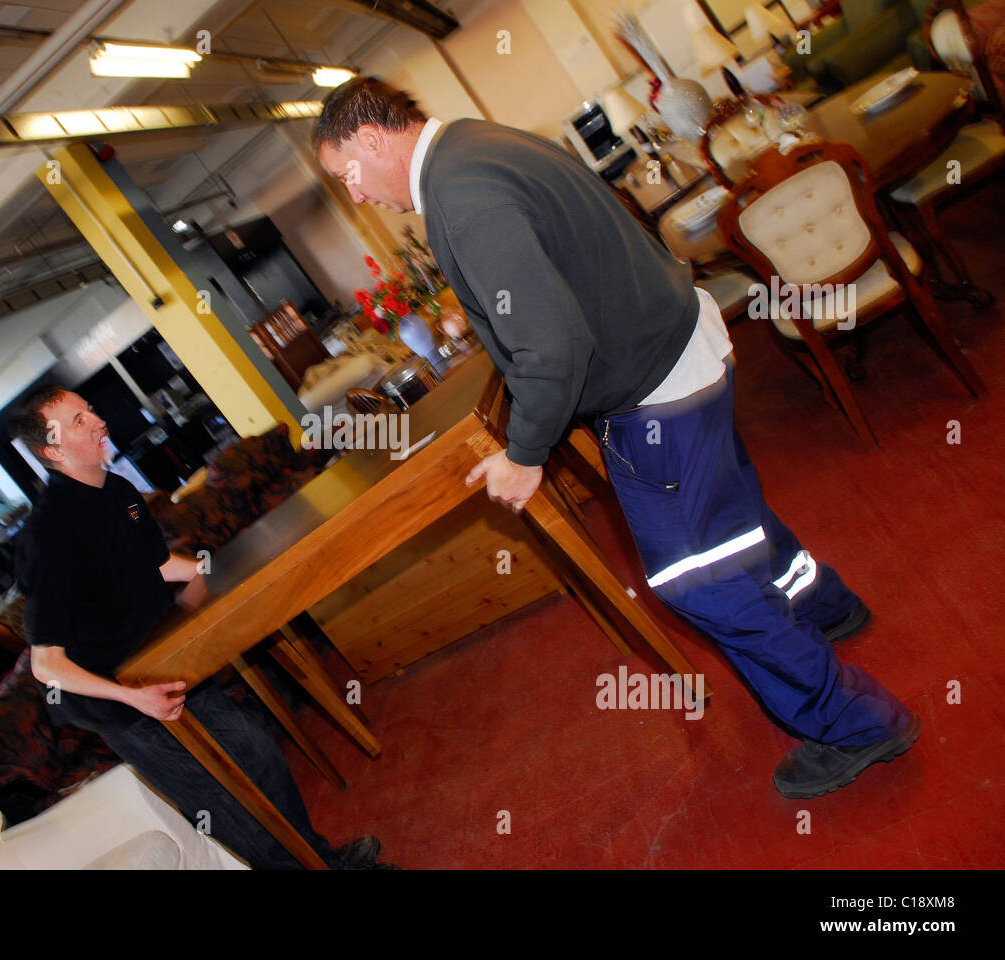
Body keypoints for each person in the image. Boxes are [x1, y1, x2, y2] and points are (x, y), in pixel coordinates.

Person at [312, 77, 921, 799]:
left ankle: (854, 722)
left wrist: (524, 455)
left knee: (700, 581)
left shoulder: (459, 193)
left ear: (371, 140)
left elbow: (552, 344)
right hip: (682, 344)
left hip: (655, 392)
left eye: (346, 173)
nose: (355, 194)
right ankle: (828, 607)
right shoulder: (476, 144)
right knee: (735, 521)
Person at [9, 385, 385, 868]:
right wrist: (133, 698)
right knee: (226, 807)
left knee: (261, 759)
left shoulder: (120, 491)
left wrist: (217, 568)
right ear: (53, 451)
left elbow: (159, 564)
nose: (99, 421)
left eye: (90, 409)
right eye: (79, 421)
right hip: (120, 700)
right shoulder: (47, 537)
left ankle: (317, 859)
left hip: (166, 658)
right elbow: (47, 665)